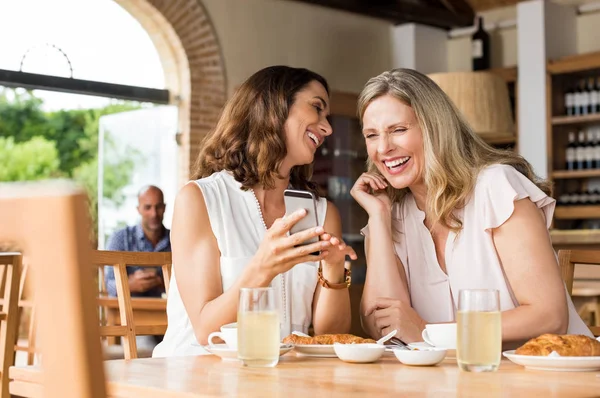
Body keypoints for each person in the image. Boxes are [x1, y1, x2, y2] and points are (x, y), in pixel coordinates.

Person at [351, 68, 591, 348]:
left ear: (435, 128)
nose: (383, 148)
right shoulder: (392, 215)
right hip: (454, 382)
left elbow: (549, 317)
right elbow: (383, 326)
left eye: (399, 130)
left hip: (547, 376)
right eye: (371, 135)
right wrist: (379, 218)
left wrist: (429, 331)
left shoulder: (496, 187)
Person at [153, 66, 357, 357]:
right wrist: (263, 267)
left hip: (280, 378)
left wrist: (335, 270)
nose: (327, 127)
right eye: (316, 108)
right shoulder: (200, 199)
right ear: (273, 107)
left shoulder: (322, 213)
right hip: (197, 374)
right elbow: (205, 330)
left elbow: (328, 336)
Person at [105, 185, 170, 298]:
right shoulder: (120, 237)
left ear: (164, 208)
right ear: (138, 209)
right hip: (127, 311)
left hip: (165, 312)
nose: (154, 214)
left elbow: (190, 282)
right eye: (147, 207)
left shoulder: (176, 238)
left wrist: (161, 281)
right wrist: (129, 285)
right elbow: (108, 283)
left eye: (158, 207)